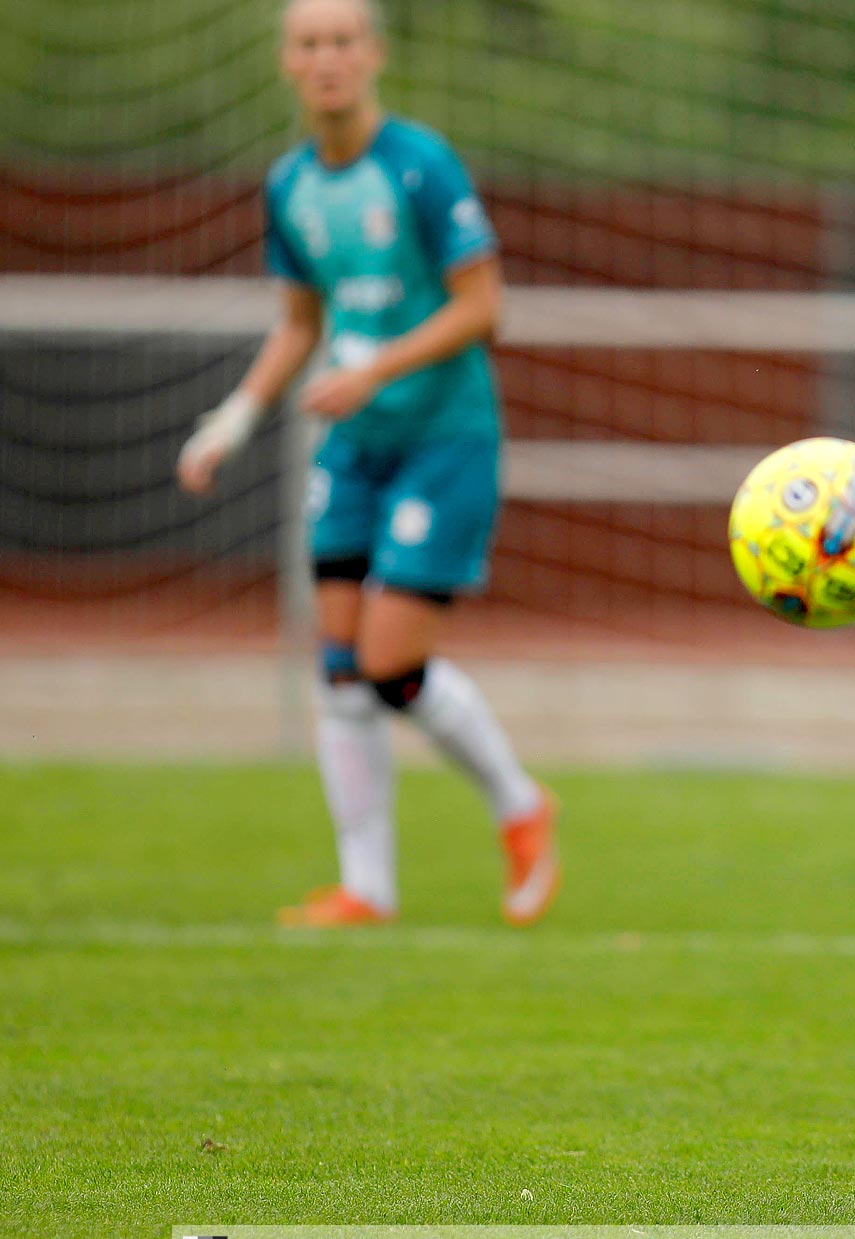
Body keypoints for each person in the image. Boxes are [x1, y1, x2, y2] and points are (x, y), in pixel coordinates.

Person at [176, 0, 558, 928]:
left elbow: (484, 307)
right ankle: (367, 887)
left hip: (444, 437)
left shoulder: (420, 165)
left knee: (390, 659)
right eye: (310, 44)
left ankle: (520, 806)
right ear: (287, 64)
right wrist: (232, 418)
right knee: (340, 665)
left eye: (343, 41)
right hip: (355, 446)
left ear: (373, 54)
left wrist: (374, 369)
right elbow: (302, 324)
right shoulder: (289, 185)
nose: (328, 59)